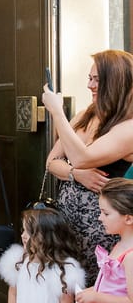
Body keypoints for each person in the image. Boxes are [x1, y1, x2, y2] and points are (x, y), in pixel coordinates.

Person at [45, 50, 133, 284]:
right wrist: (75, 174)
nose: (89, 85)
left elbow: (82, 156)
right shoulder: (85, 115)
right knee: (63, 291)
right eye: (89, 78)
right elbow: (52, 162)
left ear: (114, 82)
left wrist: (56, 111)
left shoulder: (128, 127)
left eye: (96, 79)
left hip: (100, 229)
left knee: (91, 293)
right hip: (65, 223)